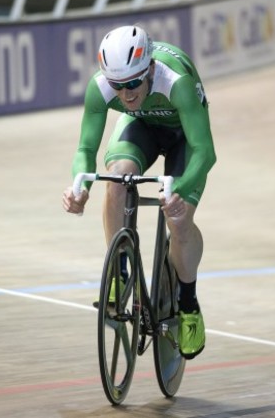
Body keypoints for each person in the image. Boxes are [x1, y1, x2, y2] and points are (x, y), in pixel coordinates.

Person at [62, 25, 216, 359]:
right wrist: (80, 186)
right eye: (118, 86)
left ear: (148, 70)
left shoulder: (176, 82)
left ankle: (188, 304)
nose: (127, 93)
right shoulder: (101, 86)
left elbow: (205, 152)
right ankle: (119, 272)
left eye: (133, 83)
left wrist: (181, 191)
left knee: (179, 221)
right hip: (142, 128)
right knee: (116, 180)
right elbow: (85, 149)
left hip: (184, 138)